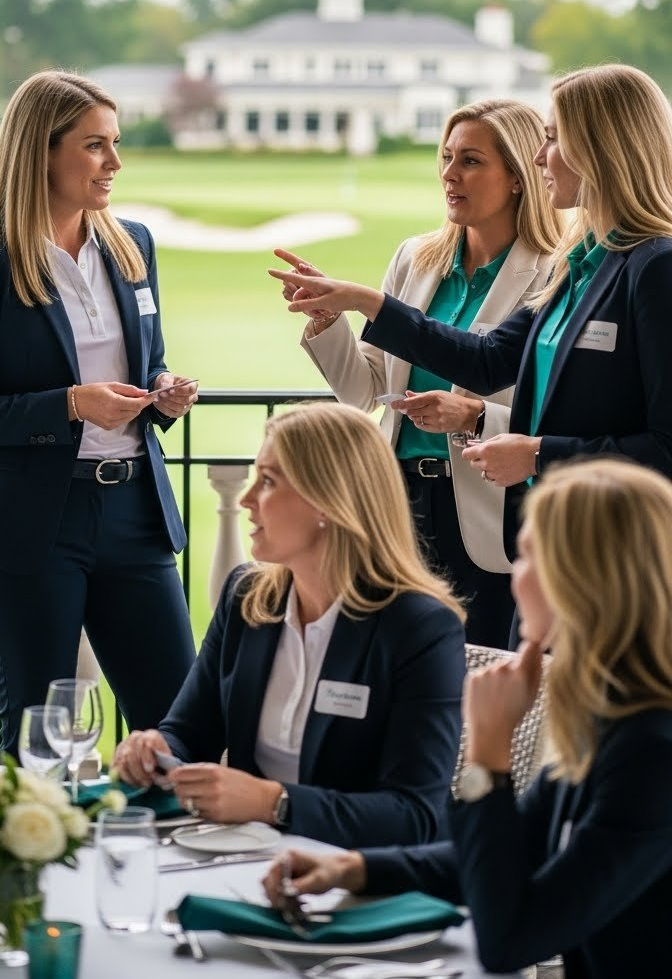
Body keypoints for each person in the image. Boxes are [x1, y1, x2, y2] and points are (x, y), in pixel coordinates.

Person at [264, 457, 672, 979]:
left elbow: (510, 941)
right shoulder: (612, 719)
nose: (513, 578)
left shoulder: (652, 754)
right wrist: (353, 868)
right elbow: (507, 854)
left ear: (581, 582)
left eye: (526, 557)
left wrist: (489, 752)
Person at [270, 64, 672, 558]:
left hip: (614, 547)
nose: (541, 157)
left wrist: (534, 452)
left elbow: (663, 446)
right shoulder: (583, 262)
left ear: (599, 148)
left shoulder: (654, 266)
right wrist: (356, 303)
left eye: (552, 140)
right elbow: (485, 361)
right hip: (550, 538)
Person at [0, 70, 198, 759]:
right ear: (41, 152)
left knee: (178, 728)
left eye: (115, 143)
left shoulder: (132, 244)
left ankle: (163, 868)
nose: (115, 162)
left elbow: (150, 360)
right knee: (38, 742)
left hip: (135, 516)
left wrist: (162, 392)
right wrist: (72, 404)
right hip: (28, 528)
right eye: (94, 145)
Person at [111, 402, 466, 849]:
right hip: (247, 861)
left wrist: (274, 802)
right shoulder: (249, 597)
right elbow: (187, 733)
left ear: (329, 501)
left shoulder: (420, 628)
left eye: (269, 480)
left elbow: (415, 815)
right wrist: (152, 749)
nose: (244, 499)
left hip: (360, 882)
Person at [274, 99, 560, 647]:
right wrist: (327, 320)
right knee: (393, 670)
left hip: (490, 512)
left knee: (480, 672)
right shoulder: (415, 259)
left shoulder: (553, 271)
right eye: (447, 157)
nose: (449, 175)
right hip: (397, 504)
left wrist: (477, 416)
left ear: (520, 176)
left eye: (471, 161)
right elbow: (364, 391)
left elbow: (552, 404)